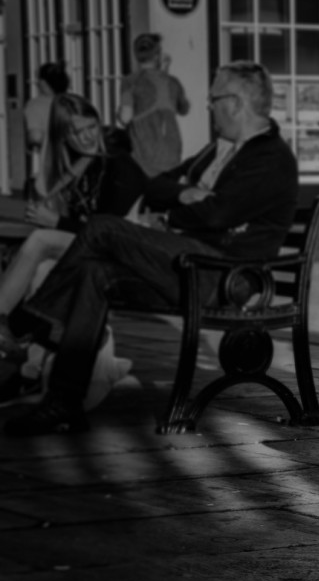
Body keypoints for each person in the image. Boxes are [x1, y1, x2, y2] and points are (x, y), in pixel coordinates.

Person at [2, 61, 298, 437]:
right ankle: (64, 402)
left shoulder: (268, 157)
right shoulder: (218, 150)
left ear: (236, 103)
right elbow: (157, 185)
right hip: (188, 263)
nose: (207, 106)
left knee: (101, 228)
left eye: (214, 98)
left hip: (223, 276)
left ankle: (24, 324)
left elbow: (216, 213)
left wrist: (179, 214)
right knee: (96, 272)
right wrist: (186, 193)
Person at [0, 94, 147, 360]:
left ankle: (4, 323)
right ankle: (33, 363)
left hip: (119, 251)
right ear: (63, 137)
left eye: (91, 127)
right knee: (42, 270)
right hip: (85, 246)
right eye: (75, 133)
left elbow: (107, 231)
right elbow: (46, 195)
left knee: (41, 240)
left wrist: (56, 222)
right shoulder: (79, 163)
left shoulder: (119, 163)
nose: (87, 137)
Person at [118, 33, 191, 176]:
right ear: (157, 54)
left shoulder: (129, 81)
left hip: (143, 151)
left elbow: (125, 117)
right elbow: (184, 109)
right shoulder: (172, 81)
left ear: (136, 54)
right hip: (171, 150)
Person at [23, 61, 71, 198]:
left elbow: (36, 137)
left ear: (43, 83)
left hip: (52, 164)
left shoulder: (35, 105)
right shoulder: (73, 101)